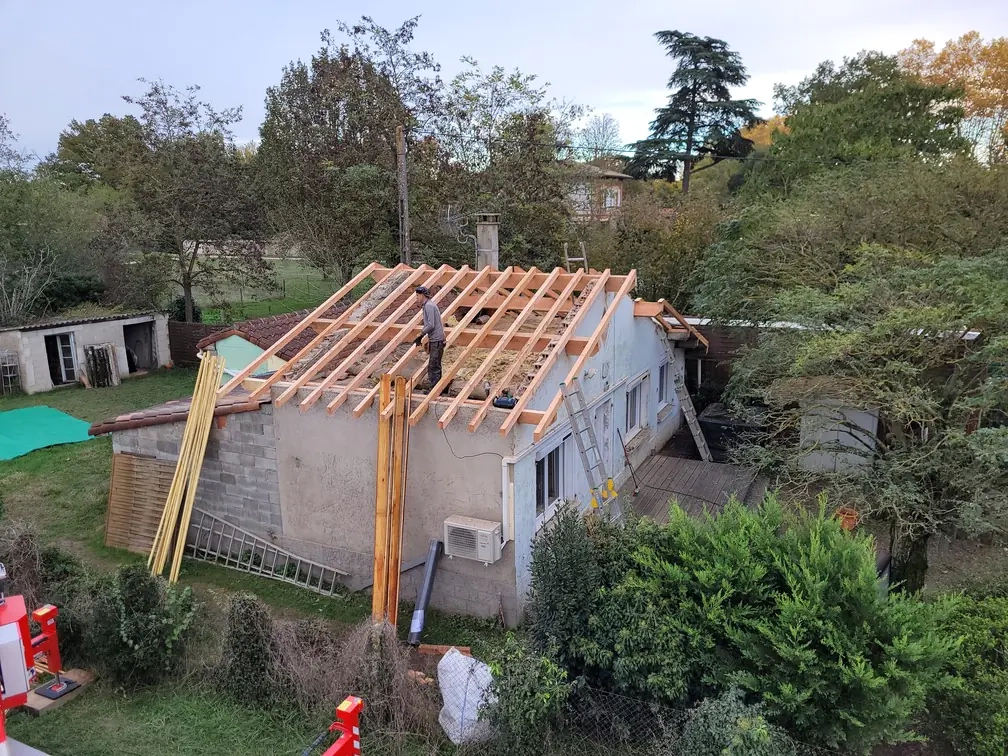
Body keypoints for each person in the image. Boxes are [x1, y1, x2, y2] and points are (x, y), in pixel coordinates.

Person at [413, 286, 445, 389]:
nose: (416, 298)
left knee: (433, 365)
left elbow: (431, 325)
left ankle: (434, 389)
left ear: (422, 295)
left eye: (417, 295)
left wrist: (421, 333)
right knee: (435, 364)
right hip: (435, 339)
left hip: (437, 340)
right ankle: (436, 387)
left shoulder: (429, 306)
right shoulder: (427, 305)